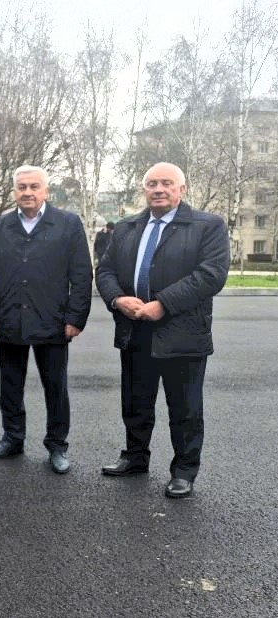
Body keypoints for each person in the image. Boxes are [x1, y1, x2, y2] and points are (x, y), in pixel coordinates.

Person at [96, 162, 229, 498]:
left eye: (167, 183)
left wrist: (163, 304)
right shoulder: (126, 227)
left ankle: (183, 471)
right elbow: (105, 270)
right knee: (135, 401)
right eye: (152, 183)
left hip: (183, 332)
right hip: (134, 329)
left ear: (182, 189)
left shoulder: (208, 225)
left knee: (184, 408)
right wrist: (117, 299)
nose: (159, 189)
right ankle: (135, 457)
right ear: (144, 190)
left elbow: (211, 274)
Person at [0, 165, 92, 474]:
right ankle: (12, 438)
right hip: (10, 318)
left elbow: (82, 275)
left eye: (34, 187)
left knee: (56, 386)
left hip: (53, 320)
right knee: (10, 385)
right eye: (22, 187)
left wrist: (76, 317)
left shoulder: (68, 224)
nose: (27, 192)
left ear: (46, 191)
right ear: (14, 191)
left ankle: (57, 444)